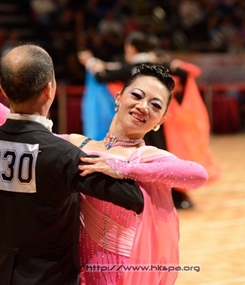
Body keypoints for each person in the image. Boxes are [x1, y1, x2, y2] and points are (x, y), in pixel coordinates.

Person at [0, 44, 144, 285]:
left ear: (3, 90)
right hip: (52, 277)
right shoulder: (63, 155)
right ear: (50, 90)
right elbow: (133, 197)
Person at [64, 64, 208, 284]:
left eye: (155, 105)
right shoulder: (77, 143)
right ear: (119, 97)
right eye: (137, 95)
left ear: (160, 121)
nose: (143, 106)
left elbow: (198, 175)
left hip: (121, 274)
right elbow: (27, 130)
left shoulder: (146, 157)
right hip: (72, 269)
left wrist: (123, 168)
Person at [78, 31, 203, 210]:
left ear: (132, 48)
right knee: (161, 154)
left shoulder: (130, 67)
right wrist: (178, 97)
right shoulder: (159, 63)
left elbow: (102, 76)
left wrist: (89, 61)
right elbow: (184, 72)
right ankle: (175, 195)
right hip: (157, 124)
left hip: (141, 128)